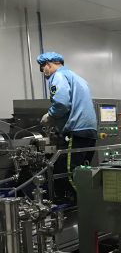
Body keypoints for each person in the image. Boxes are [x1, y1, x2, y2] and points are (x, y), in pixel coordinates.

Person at [37, 52, 97, 202]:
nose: (44, 72)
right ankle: (87, 204)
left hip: (75, 131)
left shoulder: (57, 76)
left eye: (43, 68)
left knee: (67, 172)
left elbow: (62, 104)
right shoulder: (78, 78)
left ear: (48, 64)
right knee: (83, 172)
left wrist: (50, 115)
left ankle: (87, 204)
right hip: (90, 131)